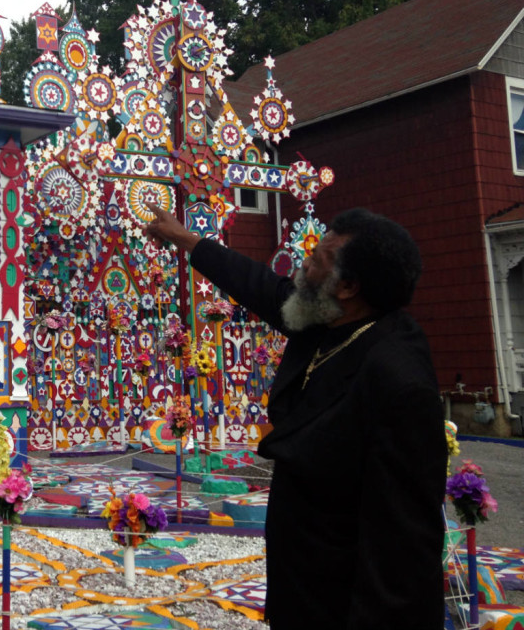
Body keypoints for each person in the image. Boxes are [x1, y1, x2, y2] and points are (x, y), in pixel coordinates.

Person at [145, 205, 447, 629]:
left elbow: (405, 543)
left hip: (342, 605)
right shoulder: (331, 320)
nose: (303, 263)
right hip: (302, 588)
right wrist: (186, 240)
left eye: (317, 259)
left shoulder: (398, 380)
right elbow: (262, 287)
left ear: (349, 286)